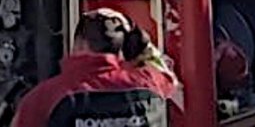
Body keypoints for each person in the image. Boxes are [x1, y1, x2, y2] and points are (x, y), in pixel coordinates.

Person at [11, 8, 177, 127]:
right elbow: (166, 73)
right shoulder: (149, 84)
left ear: (79, 43)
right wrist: (142, 42)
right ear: (122, 49)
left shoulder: (43, 99)